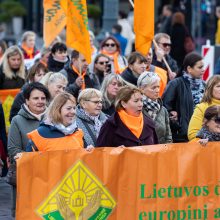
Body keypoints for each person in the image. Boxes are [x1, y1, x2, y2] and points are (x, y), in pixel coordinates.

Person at [7, 82, 50, 217]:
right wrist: (37, 158)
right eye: (36, 98)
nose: (40, 101)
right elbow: (13, 150)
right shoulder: (17, 120)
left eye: (43, 98)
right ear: (27, 100)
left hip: (51, 175)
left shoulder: (53, 118)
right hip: (27, 176)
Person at [163, 52, 205, 143]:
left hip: (202, 137)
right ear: (189, 69)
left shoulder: (205, 85)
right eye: (200, 67)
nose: (203, 70)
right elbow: (164, 107)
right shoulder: (175, 84)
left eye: (203, 67)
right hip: (181, 138)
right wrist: (174, 119)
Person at [138, 71, 172, 144]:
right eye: (153, 88)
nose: (157, 90)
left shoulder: (163, 110)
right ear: (142, 89)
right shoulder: (137, 108)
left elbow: (168, 137)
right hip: (142, 152)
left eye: (158, 87)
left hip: (161, 153)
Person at [188, 75, 220, 140]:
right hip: (208, 147)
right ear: (210, 89)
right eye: (218, 86)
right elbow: (192, 134)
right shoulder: (202, 107)